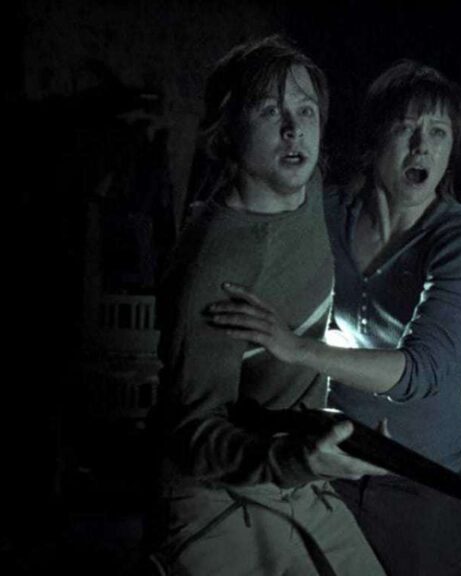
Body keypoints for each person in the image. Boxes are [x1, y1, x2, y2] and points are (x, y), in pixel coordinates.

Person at [207, 60, 461, 576]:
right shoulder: (327, 211)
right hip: (326, 465)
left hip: (418, 483)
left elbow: (422, 371)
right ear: (375, 137)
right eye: (405, 128)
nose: (422, 147)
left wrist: (296, 348)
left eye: (438, 132)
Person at [147, 36, 387, 576]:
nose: (294, 129)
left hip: (296, 480)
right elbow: (192, 433)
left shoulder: (306, 184)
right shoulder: (213, 265)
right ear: (227, 130)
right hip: (216, 499)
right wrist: (292, 459)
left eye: (306, 110)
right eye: (269, 111)